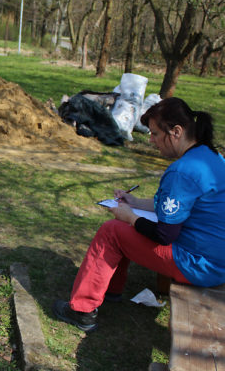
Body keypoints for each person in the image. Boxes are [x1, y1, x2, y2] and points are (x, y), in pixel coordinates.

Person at [52, 97, 225, 332]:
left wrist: (130, 217)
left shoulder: (182, 171)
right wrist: (134, 203)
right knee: (121, 229)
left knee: (111, 231)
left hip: (200, 266)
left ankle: (82, 310)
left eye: (154, 134)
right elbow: (175, 205)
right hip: (215, 260)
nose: (152, 141)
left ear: (176, 131)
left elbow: (164, 234)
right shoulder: (211, 156)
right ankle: (110, 290)